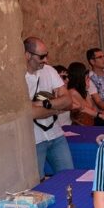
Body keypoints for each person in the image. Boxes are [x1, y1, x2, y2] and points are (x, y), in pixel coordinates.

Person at [24, 36, 74, 177]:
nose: (45, 60)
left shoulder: (49, 71)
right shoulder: (19, 78)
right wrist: (57, 107)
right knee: (37, 182)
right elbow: (30, 113)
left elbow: (68, 101)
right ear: (28, 55)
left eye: (47, 55)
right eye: (41, 57)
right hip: (35, 140)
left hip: (56, 134)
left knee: (69, 177)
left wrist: (44, 104)